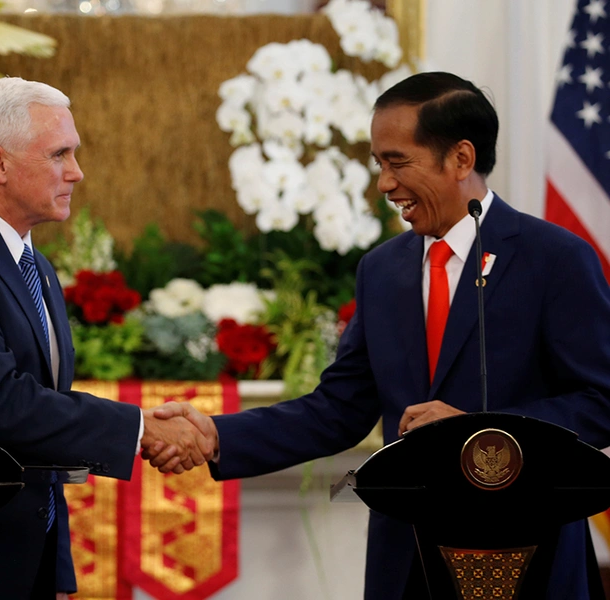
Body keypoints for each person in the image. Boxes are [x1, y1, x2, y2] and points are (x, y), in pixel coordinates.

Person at [146, 72, 610, 598]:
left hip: (526, 560)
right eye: (378, 164)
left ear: (461, 158)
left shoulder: (556, 259)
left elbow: (600, 401)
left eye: (398, 162)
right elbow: (339, 408)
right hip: (406, 564)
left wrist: (483, 433)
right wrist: (216, 436)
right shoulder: (382, 270)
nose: (384, 184)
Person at [0, 77, 211, 599]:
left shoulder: (34, 264)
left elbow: (39, 416)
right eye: (59, 154)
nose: (77, 171)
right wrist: (141, 430)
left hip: (19, 561)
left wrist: (55, 570)